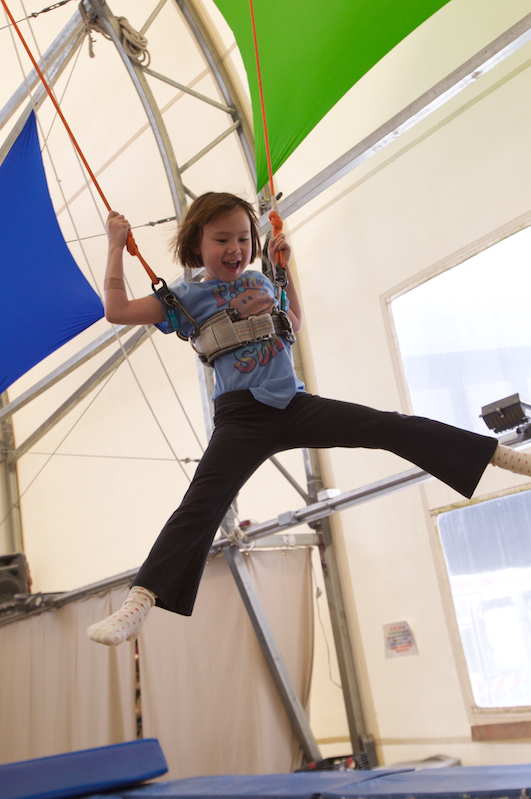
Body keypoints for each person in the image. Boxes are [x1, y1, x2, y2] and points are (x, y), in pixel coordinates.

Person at [87, 192, 530, 646]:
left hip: (295, 404)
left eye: (243, 238)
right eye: (221, 240)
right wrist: (116, 246)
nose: (235, 249)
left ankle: (496, 454)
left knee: (390, 426)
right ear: (196, 244)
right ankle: (139, 603)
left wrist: (285, 271)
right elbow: (116, 310)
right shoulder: (186, 297)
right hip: (243, 418)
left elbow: (293, 323)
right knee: (202, 504)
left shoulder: (260, 280)